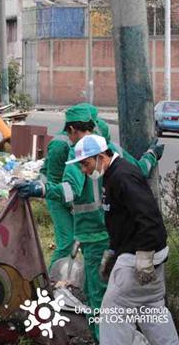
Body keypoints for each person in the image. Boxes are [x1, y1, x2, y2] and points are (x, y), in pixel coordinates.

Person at [16, 104, 160, 340]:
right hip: (116, 237)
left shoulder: (77, 155)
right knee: (118, 292)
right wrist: (151, 155)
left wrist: (41, 188)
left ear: (73, 129)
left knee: (97, 296)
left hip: (94, 239)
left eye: (69, 134)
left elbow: (69, 190)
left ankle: (104, 338)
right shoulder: (111, 150)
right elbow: (140, 170)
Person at [66, 134, 178, 345]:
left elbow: (149, 216)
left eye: (86, 163)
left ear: (100, 157)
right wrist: (113, 251)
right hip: (140, 252)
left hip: (140, 255)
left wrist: (145, 255)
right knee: (150, 307)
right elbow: (122, 219)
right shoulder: (113, 174)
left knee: (112, 313)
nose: (84, 170)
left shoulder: (122, 176)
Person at [39, 103, 111, 269]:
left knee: (84, 241)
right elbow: (58, 181)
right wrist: (45, 190)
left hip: (75, 198)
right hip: (58, 196)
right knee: (67, 242)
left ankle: (81, 277)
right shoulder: (60, 146)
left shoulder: (97, 130)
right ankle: (53, 281)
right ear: (72, 129)